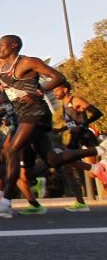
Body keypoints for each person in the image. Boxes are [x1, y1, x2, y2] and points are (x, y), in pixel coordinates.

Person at [0, 35, 99, 218]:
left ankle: (5, 201)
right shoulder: (2, 67)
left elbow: (58, 77)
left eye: (1, 45)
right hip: (22, 115)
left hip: (36, 112)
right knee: (53, 160)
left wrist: (40, 90)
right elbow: (9, 92)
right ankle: (98, 150)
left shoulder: (29, 62)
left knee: (12, 150)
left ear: (14, 46)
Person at [53, 82, 104, 211]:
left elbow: (97, 113)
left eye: (56, 90)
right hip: (74, 139)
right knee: (66, 166)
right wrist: (60, 129)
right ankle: (80, 202)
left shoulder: (76, 100)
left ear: (65, 89)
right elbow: (72, 123)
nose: (54, 93)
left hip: (86, 138)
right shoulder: (64, 104)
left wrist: (82, 125)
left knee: (94, 174)